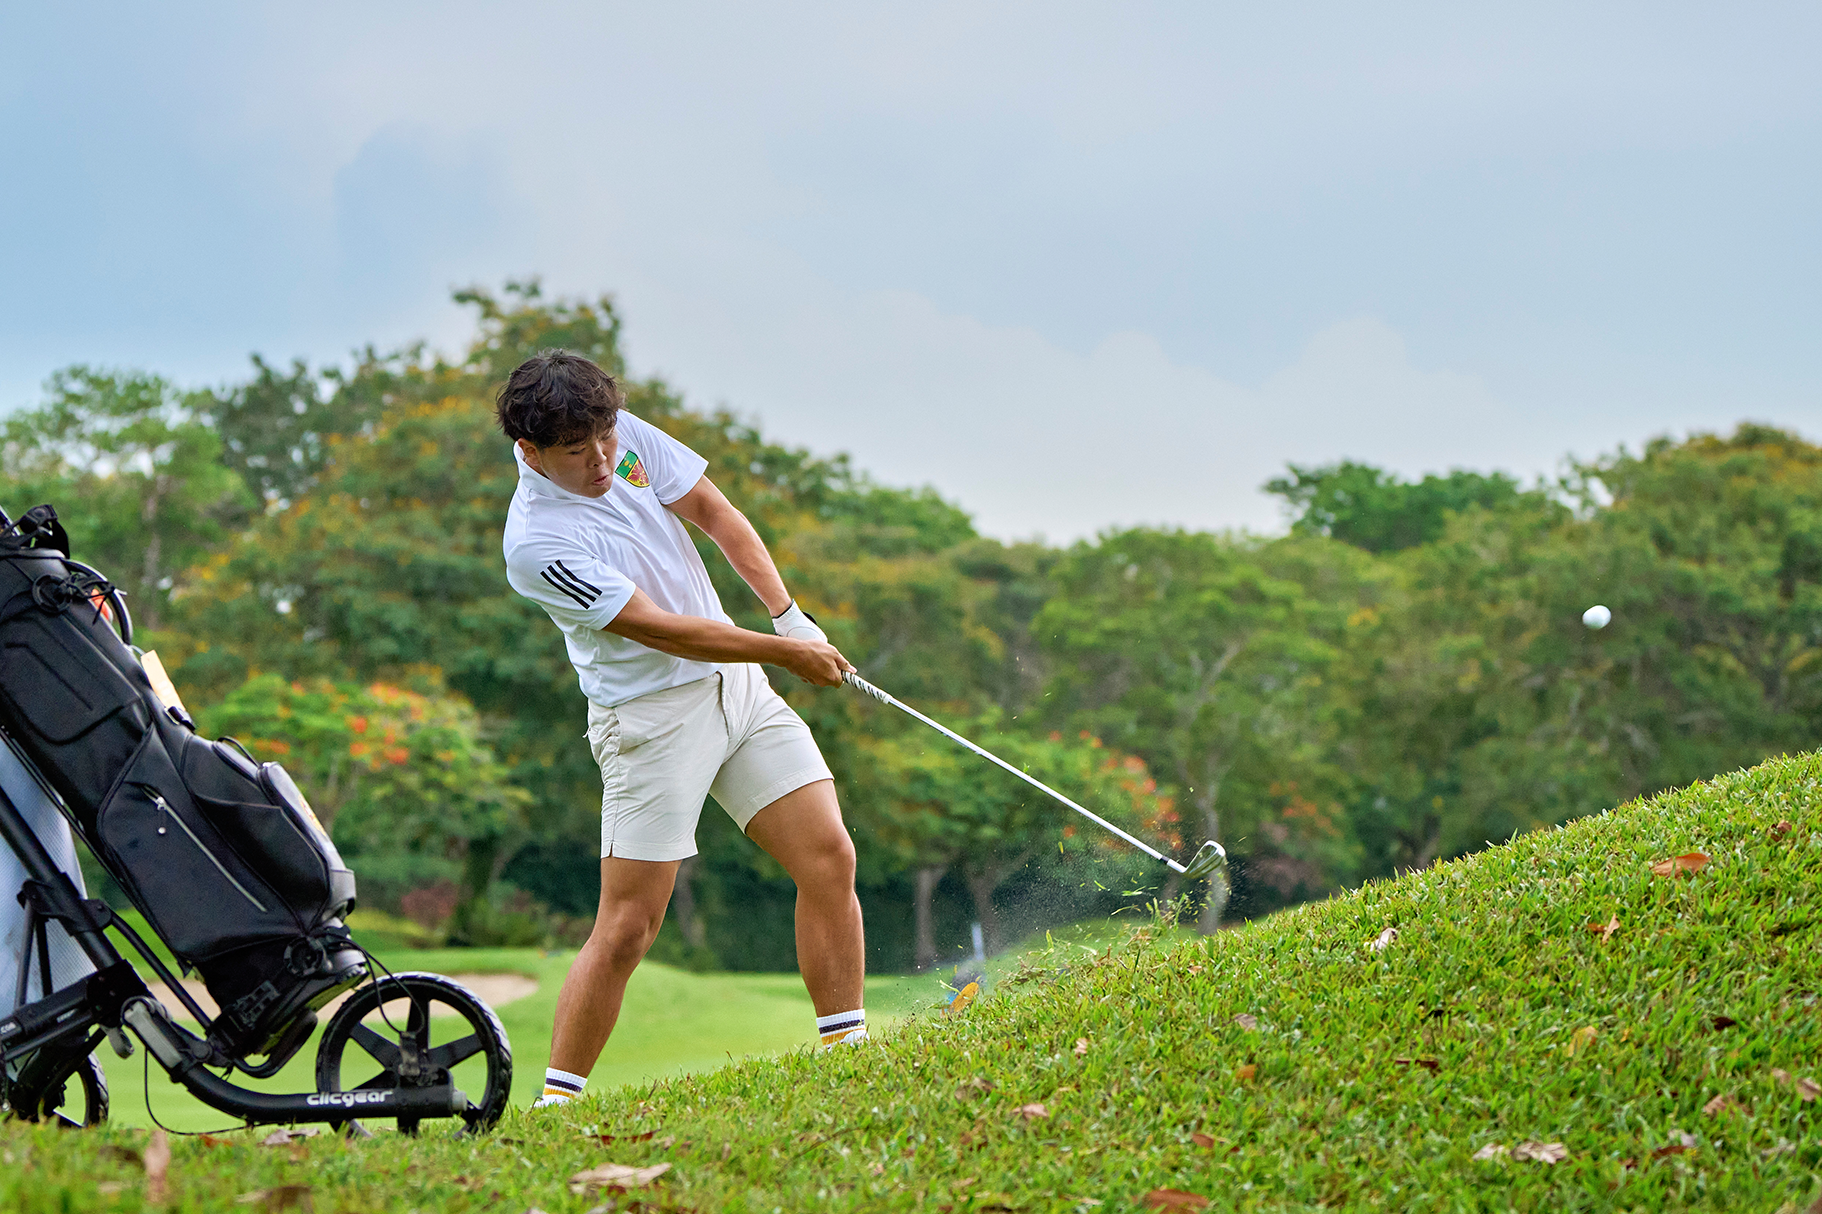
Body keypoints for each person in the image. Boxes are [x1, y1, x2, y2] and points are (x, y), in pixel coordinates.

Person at [496, 350, 867, 1109]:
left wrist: (788, 614)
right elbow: (666, 631)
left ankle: (848, 1051)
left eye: (605, 440)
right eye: (578, 452)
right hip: (650, 724)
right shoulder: (535, 544)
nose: (603, 460)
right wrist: (787, 652)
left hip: (737, 688)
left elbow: (715, 513)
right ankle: (557, 1104)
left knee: (828, 855)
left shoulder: (616, 430)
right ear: (530, 453)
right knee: (631, 924)